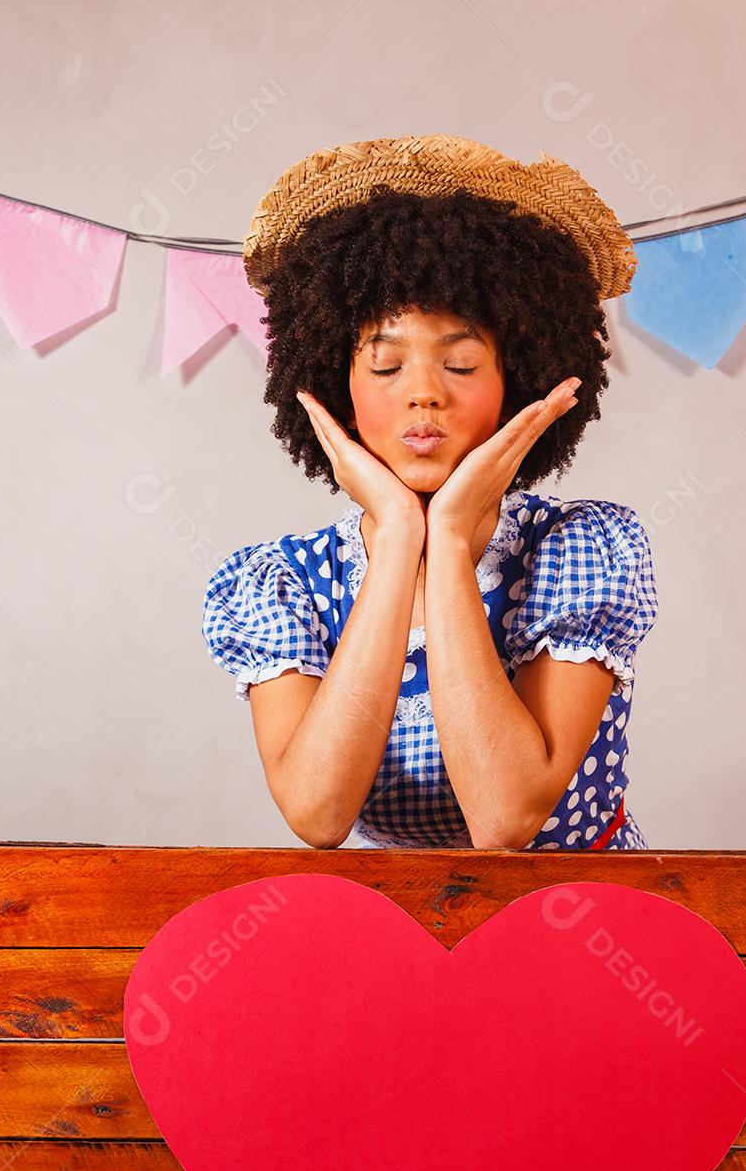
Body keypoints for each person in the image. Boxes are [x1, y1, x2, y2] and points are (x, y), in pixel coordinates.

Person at [202, 134, 658, 851]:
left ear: (520, 383)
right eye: (385, 366)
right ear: (334, 388)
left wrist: (446, 539)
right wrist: (395, 538)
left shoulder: (581, 551)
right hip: (404, 939)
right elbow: (318, 816)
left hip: (581, 928)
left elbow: (506, 819)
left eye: (462, 362)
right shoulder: (282, 583)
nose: (423, 394)